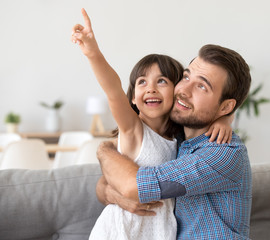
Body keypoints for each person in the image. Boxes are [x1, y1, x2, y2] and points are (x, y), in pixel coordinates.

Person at [71, 9, 233, 240]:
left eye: (162, 81)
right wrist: (93, 53)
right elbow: (113, 91)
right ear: (134, 98)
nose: (151, 88)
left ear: (177, 92)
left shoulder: (181, 139)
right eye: (142, 82)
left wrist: (225, 118)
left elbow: (212, 106)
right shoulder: (133, 129)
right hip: (119, 233)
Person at [96, 43, 253, 239]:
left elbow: (133, 186)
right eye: (186, 77)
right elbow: (105, 182)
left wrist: (104, 150)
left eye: (202, 86)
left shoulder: (224, 152)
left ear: (226, 106)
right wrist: (113, 194)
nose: (184, 91)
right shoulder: (177, 140)